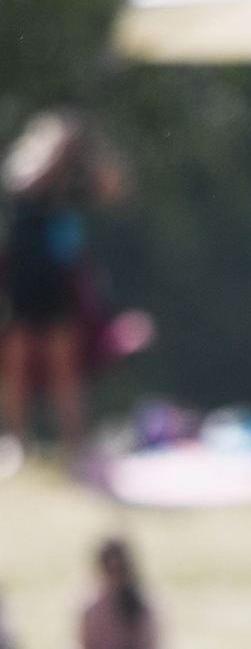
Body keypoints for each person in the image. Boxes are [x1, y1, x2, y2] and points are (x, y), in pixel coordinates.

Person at [0, 108, 128, 454]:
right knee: (16, 369)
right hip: (23, 283)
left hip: (57, 285)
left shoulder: (72, 181)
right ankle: (16, 443)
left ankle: (76, 446)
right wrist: (58, 150)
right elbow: (27, 183)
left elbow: (113, 189)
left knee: (64, 371)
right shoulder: (25, 171)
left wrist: (88, 151)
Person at [79, 537, 158, 649]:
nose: (114, 578)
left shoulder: (142, 609)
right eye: (109, 570)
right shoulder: (91, 610)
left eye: (119, 570)